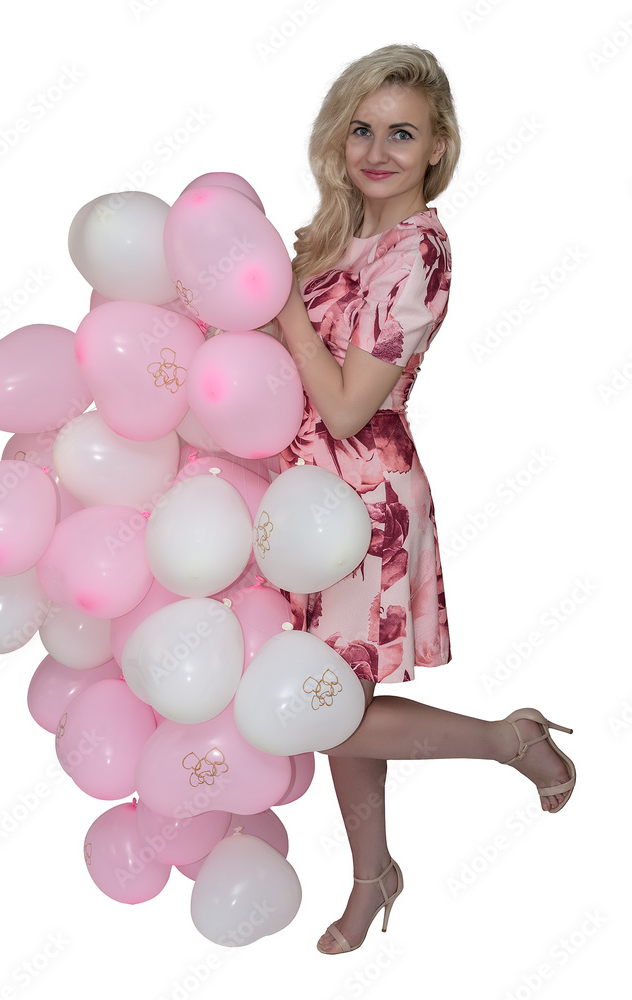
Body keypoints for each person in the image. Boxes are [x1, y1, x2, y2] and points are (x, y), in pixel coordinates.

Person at [273, 43, 576, 955]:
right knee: (328, 699)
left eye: (402, 133)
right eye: (362, 129)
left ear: (438, 146)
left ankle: (508, 740)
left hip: (361, 503)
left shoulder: (419, 251)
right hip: (293, 502)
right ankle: (373, 876)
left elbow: (346, 405)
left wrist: (281, 305)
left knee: (329, 706)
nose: (378, 150)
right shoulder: (329, 238)